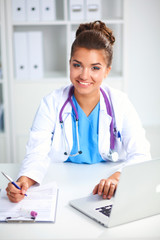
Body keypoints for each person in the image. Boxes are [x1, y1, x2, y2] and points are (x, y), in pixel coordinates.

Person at [6, 21, 150, 203]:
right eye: (77, 65)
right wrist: (23, 182)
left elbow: (142, 154)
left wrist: (116, 178)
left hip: (104, 191)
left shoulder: (120, 103)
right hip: (62, 187)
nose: (84, 75)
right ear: (70, 64)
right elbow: (37, 153)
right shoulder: (51, 103)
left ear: (107, 71)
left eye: (95, 68)